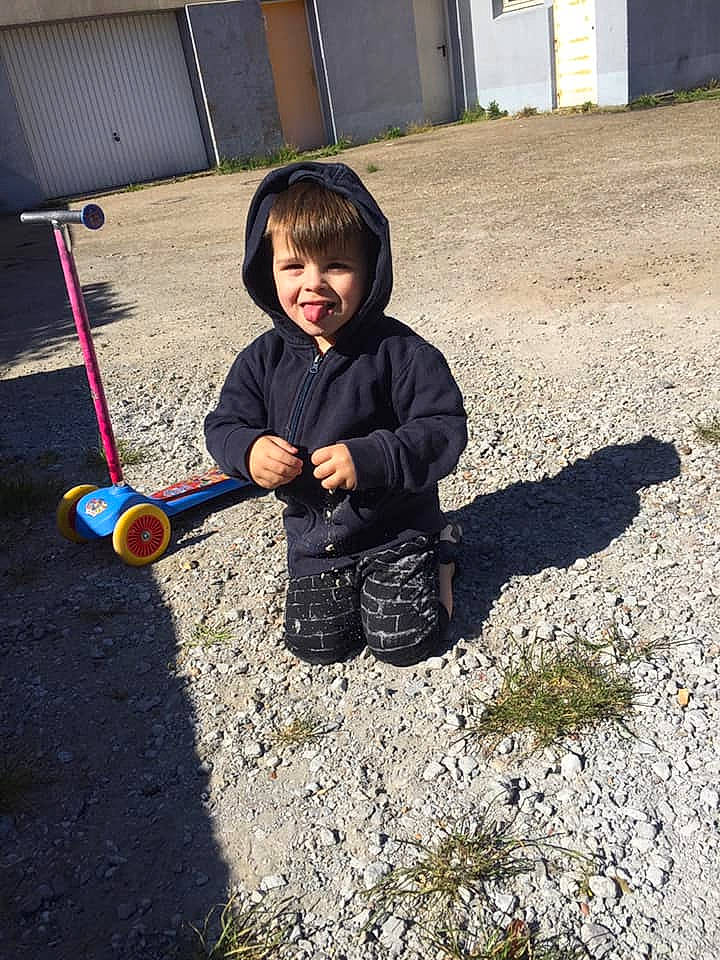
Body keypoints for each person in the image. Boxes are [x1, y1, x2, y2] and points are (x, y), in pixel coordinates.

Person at [205, 162, 467, 666]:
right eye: (293, 266)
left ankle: (442, 559)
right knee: (317, 646)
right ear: (266, 269)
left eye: (337, 266)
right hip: (316, 540)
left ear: (370, 268)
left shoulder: (401, 353)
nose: (314, 285)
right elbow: (223, 424)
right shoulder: (262, 359)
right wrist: (249, 450)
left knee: (403, 644)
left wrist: (373, 458)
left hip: (397, 531)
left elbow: (443, 428)